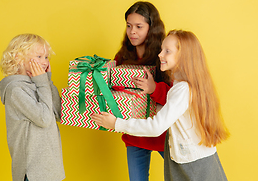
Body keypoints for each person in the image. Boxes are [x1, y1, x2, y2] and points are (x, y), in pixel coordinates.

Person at [92, 30, 229, 181]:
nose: (160, 54)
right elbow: (173, 114)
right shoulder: (185, 85)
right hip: (192, 158)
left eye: (167, 51)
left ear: (183, 56)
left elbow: (156, 127)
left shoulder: (182, 89)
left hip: (192, 163)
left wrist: (116, 123)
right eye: (162, 49)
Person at [114, 1, 171, 181]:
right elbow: (114, 93)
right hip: (134, 134)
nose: (132, 32)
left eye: (139, 26)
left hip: (163, 133)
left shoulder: (164, 56)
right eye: (129, 26)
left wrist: (153, 88)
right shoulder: (122, 56)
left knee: (180, 177)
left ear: (151, 27)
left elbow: (176, 95)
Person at [0, 34, 65, 181]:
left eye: (46, 57)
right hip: (33, 172)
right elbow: (44, 119)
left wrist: (47, 81)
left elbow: (59, 113)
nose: (44, 62)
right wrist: (42, 83)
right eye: (39, 56)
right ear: (18, 59)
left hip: (51, 168)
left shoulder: (39, 84)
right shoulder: (15, 90)